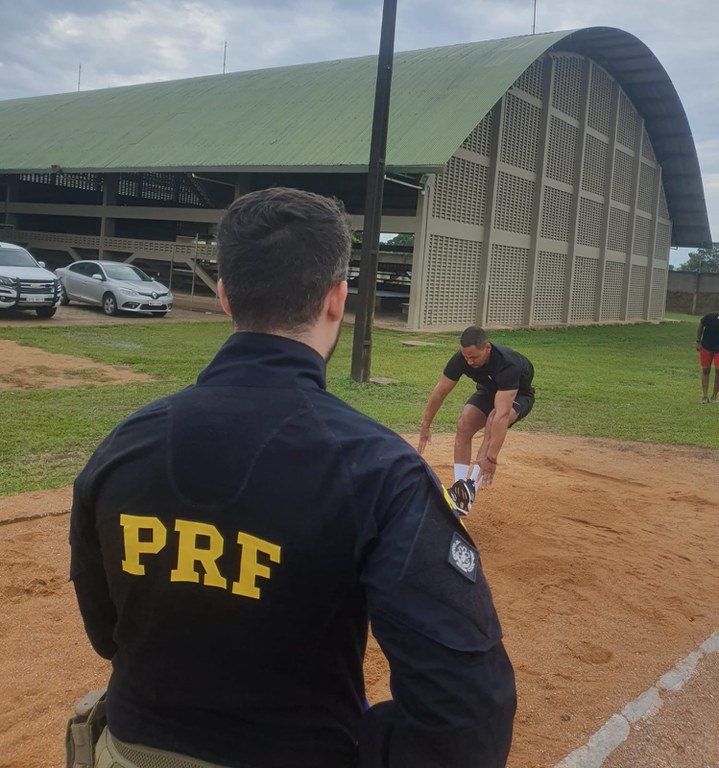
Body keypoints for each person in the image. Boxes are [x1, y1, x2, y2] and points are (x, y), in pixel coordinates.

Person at [70, 188, 516, 768]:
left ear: (226, 296)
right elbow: (466, 714)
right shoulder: (379, 470)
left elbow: (106, 633)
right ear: (337, 298)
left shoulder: (122, 446)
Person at [418, 326, 535, 504]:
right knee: (464, 423)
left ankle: (471, 488)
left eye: (474, 357)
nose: (469, 362)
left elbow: (502, 415)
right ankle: (459, 489)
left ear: (487, 348)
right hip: (489, 390)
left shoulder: (507, 364)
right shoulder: (461, 359)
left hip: (519, 394)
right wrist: (425, 425)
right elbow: (440, 392)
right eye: (466, 357)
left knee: (493, 419)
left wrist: (491, 458)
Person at [695, 311, 719, 403]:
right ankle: (704, 396)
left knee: (718, 370)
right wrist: (698, 341)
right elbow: (700, 326)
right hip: (706, 346)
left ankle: (714, 396)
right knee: (705, 370)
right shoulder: (710, 317)